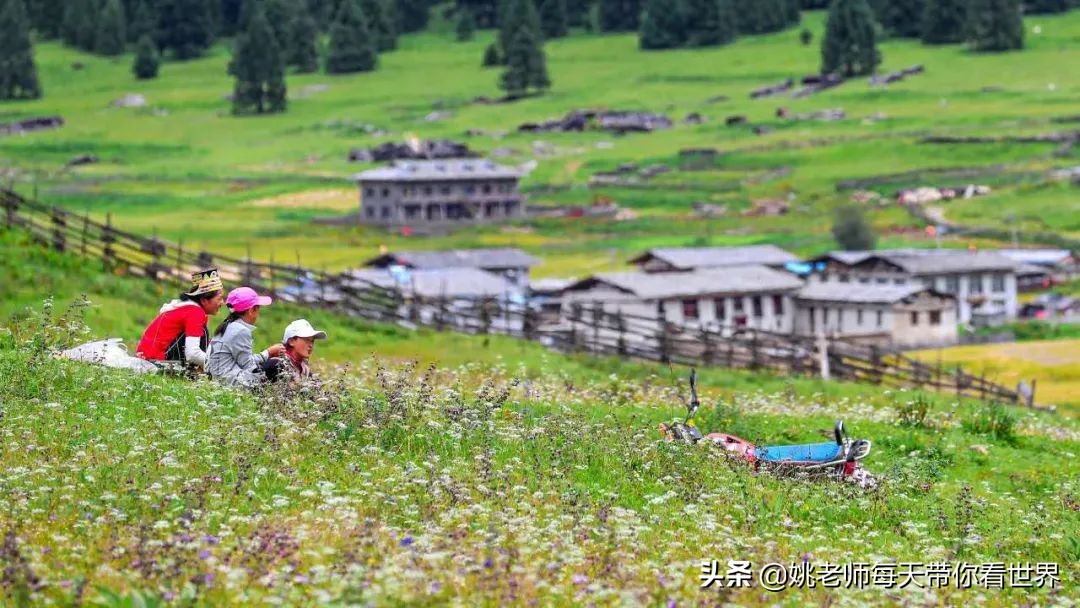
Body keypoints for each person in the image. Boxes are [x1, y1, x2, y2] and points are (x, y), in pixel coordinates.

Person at [136, 268, 224, 368]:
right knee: (203, 333)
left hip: (146, 357)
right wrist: (218, 366)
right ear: (204, 300)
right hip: (155, 361)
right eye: (219, 298)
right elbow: (192, 354)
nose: (222, 303)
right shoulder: (195, 312)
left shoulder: (187, 308)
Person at [205, 287, 285, 387]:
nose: (258, 314)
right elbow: (249, 366)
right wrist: (269, 353)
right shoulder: (241, 331)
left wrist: (268, 354)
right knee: (276, 364)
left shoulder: (228, 326)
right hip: (229, 383)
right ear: (251, 310)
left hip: (219, 379)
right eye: (257, 309)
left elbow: (244, 360)